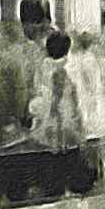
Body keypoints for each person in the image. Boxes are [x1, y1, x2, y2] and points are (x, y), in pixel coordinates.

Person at [29, 31, 87, 197]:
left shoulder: (43, 68)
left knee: (52, 166)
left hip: (48, 126)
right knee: (69, 161)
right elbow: (72, 99)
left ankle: (55, 191)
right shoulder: (67, 69)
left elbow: (40, 95)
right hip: (66, 124)